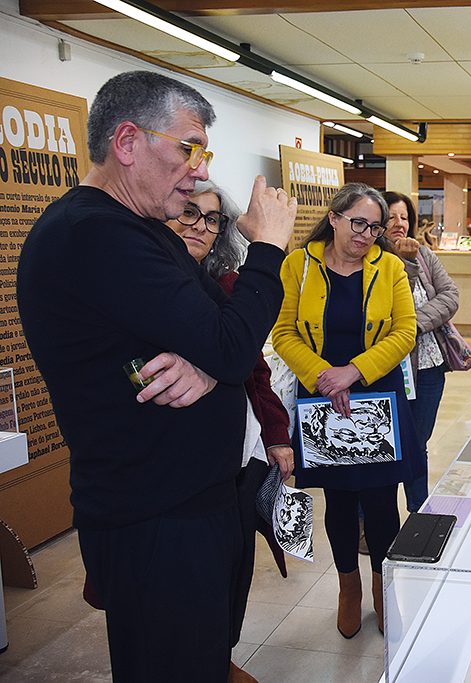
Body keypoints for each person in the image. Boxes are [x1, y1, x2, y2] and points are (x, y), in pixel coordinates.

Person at [16, 70, 296, 681]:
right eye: (188, 147)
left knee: (204, 660)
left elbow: (219, 331)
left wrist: (205, 361)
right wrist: (269, 248)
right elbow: (229, 341)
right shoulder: (94, 234)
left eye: (204, 153)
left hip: (196, 504)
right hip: (156, 518)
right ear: (127, 142)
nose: (199, 168)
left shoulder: (140, 232)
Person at [271, 182, 423, 638]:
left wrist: (353, 372)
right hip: (323, 399)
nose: (366, 234)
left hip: (376, 394)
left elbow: (405, 332)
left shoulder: (391, 267)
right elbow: (283, 333)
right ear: (334, 218)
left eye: (374, 227)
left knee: (381, 501)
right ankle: (348, 588)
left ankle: (381, 584)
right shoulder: (297, 266)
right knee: (338, 501)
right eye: (358, 223)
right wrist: (325, 376)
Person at [166, 180, 295, 662]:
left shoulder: (229, 287)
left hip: (241, 457)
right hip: (180, 468)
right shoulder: (154, 285)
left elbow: (255, 370)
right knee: (186, 585)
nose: (199, 227)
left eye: (212, 218)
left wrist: (277, 436)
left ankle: (223, 656)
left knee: (236, 565)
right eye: (187, 213)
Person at [384, 190, 459, 511]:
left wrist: (412, 326)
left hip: (429, 365)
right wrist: (405, 260)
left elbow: (450, 295)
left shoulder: (425, 255)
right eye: (391, 217)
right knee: (385, 444)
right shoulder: (372, 259)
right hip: (389, 367)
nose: (399, 223)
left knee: (418, 442)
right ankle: (374, 518)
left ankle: (418, 512)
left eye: (404, 217)